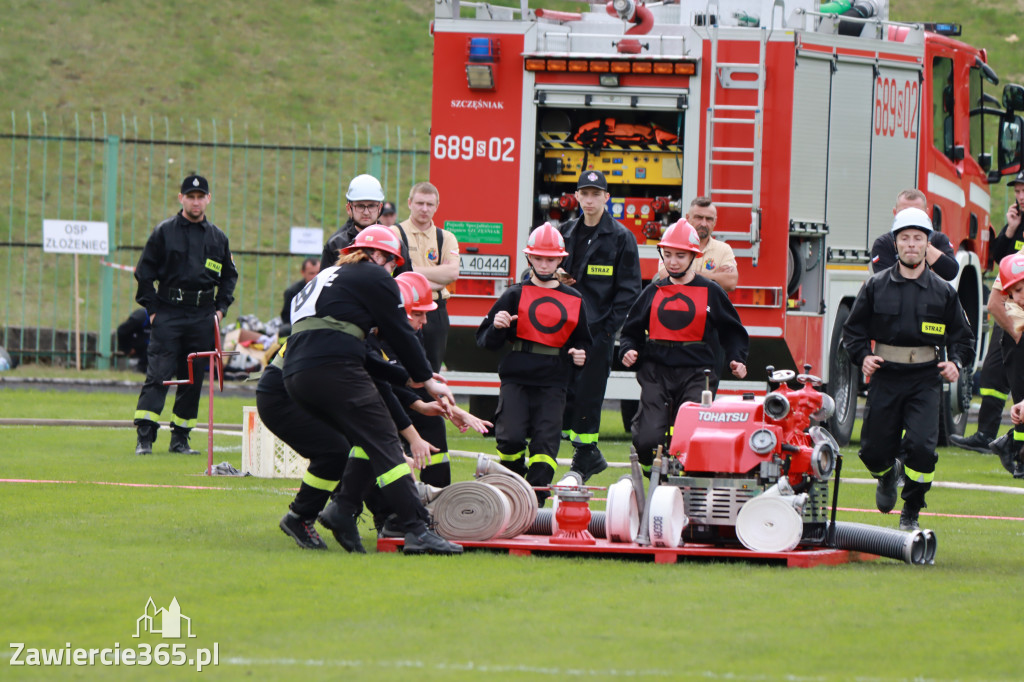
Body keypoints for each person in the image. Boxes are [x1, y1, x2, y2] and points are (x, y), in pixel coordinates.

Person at [282, 225, 463, 555]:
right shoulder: (373, 275)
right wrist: (428, 379)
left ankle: (341, 508)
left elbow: (359, 349)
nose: (393, 271)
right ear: (378, 255)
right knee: (385, 440)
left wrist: (408, 380)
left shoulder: (331, 276)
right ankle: (416, 529)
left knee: (366, 439)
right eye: (393, 263)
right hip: (335, 368)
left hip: (298, 372)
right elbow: (400, 332)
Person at [842, 207, 975, 531]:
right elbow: (852, 331)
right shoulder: (875, 286)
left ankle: (912, 510)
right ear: (896, 243)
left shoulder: (943, 292)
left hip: (925, 380)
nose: (911, 245)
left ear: (928, 244)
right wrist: (863, 357)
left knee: (922, 449)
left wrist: (956, 364)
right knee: (873, 450)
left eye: (918, 238)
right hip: (886, 376)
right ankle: (887, 477)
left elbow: (964, 339)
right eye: (905, 238)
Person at [619, 219, 749, 474]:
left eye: (680, 255)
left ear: (693, 256)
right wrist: (628, 350)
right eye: (667, 255)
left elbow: (732, 331)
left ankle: (686, 485)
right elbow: (631, 330)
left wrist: (737, 358)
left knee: (691, 439)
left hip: (698, 374)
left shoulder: (711, 291)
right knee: (646, 441)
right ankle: (654, 473)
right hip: (656, 372)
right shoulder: (652, 291)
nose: (673, 261)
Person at [477, 223, 591, 504]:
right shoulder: (514, 294)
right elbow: (484, 341)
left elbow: (584, 342)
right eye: (538, 258)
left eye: (550, 259)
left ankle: (536, 499)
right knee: (510, 439)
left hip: (554, 381)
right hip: (517, 376)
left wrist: (580, 356)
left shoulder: (574, 299)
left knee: (545, 445)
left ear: (560, 259)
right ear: (529, 258)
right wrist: (498, 328)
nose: (543, 264)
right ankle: (515, 483)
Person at [132, 174, 238, 456]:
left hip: (203, 315)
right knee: (159, 374)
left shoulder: (217, 238)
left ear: (208, 199)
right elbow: (144, 274)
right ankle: (145, 437)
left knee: (192, 379)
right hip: (168, 312)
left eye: (200, 196)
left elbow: (229, 277)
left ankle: (181, 438)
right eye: (190, 196)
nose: (195, 201)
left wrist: (220, 309)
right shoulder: (164, 232)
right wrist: (153, 311)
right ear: (181, 198)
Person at [557, 170, 642, 481]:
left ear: (607, 198)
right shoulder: (564, 232)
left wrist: (607, 331)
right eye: (585, 193)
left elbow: (629, 291)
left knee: (589, 396)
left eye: (596, 194)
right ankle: (563, 453)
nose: (590, 200)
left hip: (598, 334)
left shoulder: (621, 238)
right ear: (577, 196)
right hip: (562, 332)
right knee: (561, 393)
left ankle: (584, 457)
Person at [949, 176, 1024, 453]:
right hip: (1006, 305)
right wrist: (1009, 230)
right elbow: (997, 257)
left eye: (1023, 190)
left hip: (1018, 309)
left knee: (1019, 380)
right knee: (992, 372)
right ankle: (985, 434)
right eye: (1017, 191)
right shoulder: (1016, 222)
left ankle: (1017, 445)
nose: (1020, 196)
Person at [390, 182, 459, 372]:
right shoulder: (394, 234)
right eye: (420, 203)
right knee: (401, 369)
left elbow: (452, 273)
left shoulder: (446, 238)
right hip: (403, 311)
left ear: (437, 206)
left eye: (430, 204)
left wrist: (411, 271)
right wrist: (437, 278)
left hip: (436, 312)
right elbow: (394, 275)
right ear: (409, 203)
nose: (424, 209)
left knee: (431, 370)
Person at [983, 252, 1024, 478]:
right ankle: (1018, 455)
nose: (1017, 296)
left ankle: (1010, 445)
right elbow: (994, 303)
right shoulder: (1018, 261)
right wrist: (1017, 332)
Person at [320, 175, 411, 272]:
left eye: (371, 206)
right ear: (349, 209)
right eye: (360, 206)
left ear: (380, 208)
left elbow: (404, 282)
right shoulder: (335, 245)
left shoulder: (395, 244)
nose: (366, 212)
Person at [869, 189, 958, 280]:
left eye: (917, 213)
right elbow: (885, 282)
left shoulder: (939, 239)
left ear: (926, 214)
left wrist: (924, 245)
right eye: (904, 212)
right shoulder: (883, 244)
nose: (911, 218)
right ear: (895, 213)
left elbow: (950, 272)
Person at [279, 257, 320, 325]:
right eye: (312, 273)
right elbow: (286, 317)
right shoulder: (292, 292)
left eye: (318, 272)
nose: (316, 276)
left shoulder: (326, 288)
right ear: (303, 273)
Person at [117, 308, 152, 374]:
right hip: (138, 343)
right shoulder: (140, 318)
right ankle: (140, 368)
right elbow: (122, 331)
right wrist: (127, 349)